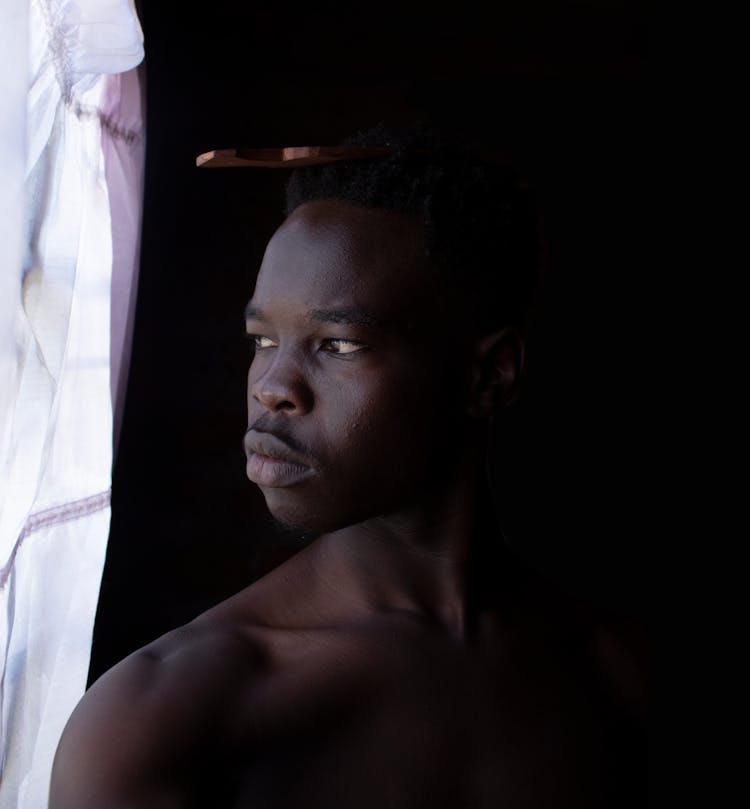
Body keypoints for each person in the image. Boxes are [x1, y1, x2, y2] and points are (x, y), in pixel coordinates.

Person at [49, 126, 645, 808]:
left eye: (337, 343)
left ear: (489, 374)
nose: (273, 385)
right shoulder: (162, 720)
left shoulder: (606, 672)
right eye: (263, 340)